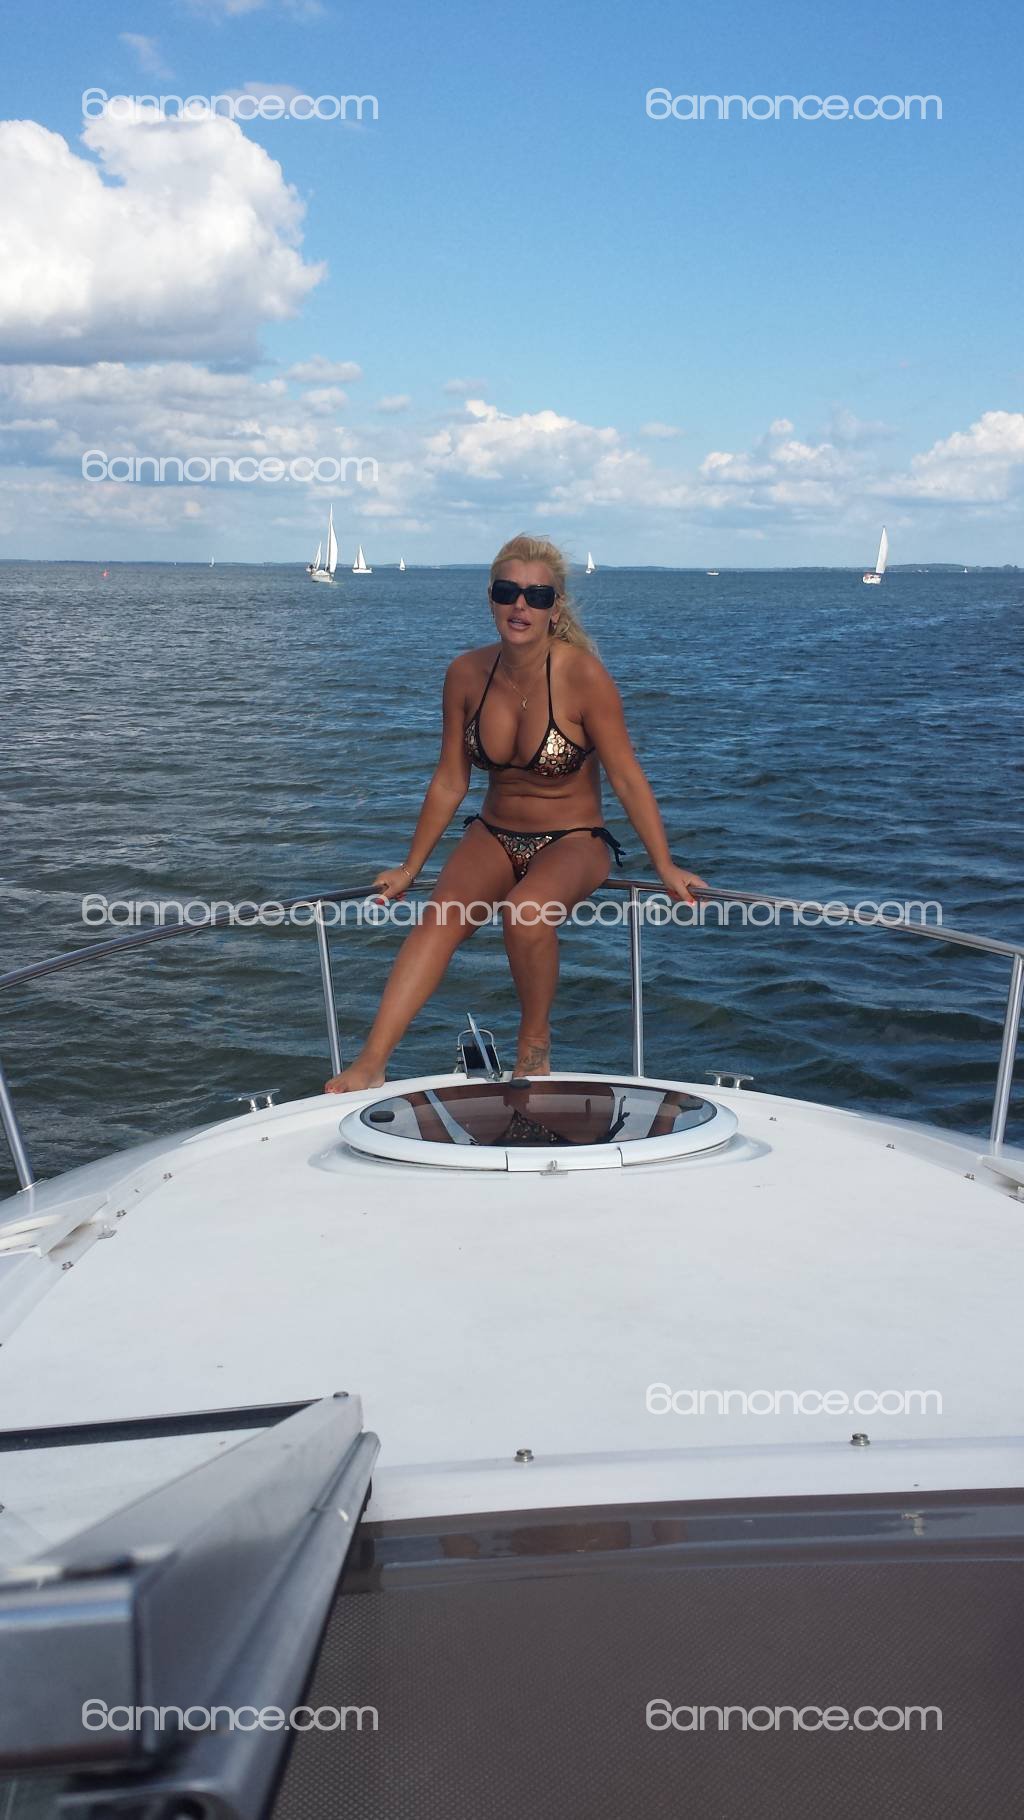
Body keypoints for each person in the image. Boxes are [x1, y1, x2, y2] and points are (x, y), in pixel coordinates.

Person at [325, 533, 708, 1092]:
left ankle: (534, 1044)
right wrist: (409, 868)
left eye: (537, 595)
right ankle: (371, 1062)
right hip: (494, 833)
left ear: (556, 608)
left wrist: (665, 866)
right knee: (438, 920)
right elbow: (450, 780)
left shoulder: (582, 676)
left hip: (575, 838)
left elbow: (626, 777)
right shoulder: (465, 674)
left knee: (526, 913)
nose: (521, 605)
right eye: (508, 592)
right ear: (490, 598)